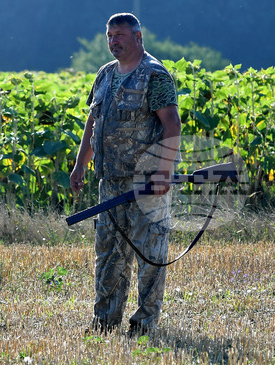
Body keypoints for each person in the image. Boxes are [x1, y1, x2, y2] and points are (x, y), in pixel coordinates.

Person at [68, 13, 181, 336]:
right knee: (108, 256)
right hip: (111, 184)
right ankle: (104, 320)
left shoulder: (154, 75)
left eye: (119, 35)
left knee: (150, 256)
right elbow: (94, 124)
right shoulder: (104, 75)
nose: (113, 41)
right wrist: (80, 165)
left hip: (146, 186)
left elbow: (171, 124)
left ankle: (144, 324)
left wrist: (163, 173)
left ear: (137, 37)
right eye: (109, 36)